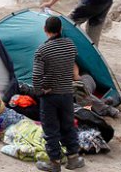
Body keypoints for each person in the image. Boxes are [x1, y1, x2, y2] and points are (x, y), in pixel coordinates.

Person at [32, 16, 84, 171]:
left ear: (45, 30)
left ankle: (54, 163)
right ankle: (73, 158)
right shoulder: (70, 45)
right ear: (61, 29)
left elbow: (36, 76)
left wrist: (39, 91)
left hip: (50, 96)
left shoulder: (42, 50)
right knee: (68, 125)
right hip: (67, 93)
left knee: (51, 128)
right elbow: (72, 64)